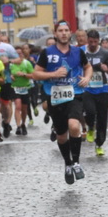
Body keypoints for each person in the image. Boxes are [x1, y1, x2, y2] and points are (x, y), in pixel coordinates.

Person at [34, 21, 88, 183]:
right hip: (55, 98)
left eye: (66, 30)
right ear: (55, 33)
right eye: (60, 31)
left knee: (74, 126)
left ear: (70, 32)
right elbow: (36, 74)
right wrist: (53, 74)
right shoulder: (47, 53)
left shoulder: (78, 52)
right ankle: (68, 163)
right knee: (62, 136)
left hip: (74, 95)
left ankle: (77, 162)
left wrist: (87, 78)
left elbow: (88, 67)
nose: (64, 33)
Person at [80, 28, 108, 156]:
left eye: (95, 42)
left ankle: (99, 144)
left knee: (102, 119)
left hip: (102, 88)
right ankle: (90, 127)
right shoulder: (81, 52)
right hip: (87, 88)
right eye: (91, 42)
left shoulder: (105, 53)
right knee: (89, 111)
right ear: (87, 40)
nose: (93, 44)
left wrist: (107, 69)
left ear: (99, 41)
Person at [5, 43, 36, 136]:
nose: (19, 55)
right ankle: (18, 126)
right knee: (17, 106)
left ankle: (23, 124)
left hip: (26, 88)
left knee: (24, 108)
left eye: (20, 53)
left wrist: (24, 75)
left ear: (23, 54)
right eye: (16, 54)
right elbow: (6, 74)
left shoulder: (27, 63)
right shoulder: (11, 64)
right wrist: (10, 76)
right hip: (15, 88)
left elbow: (33, 75)